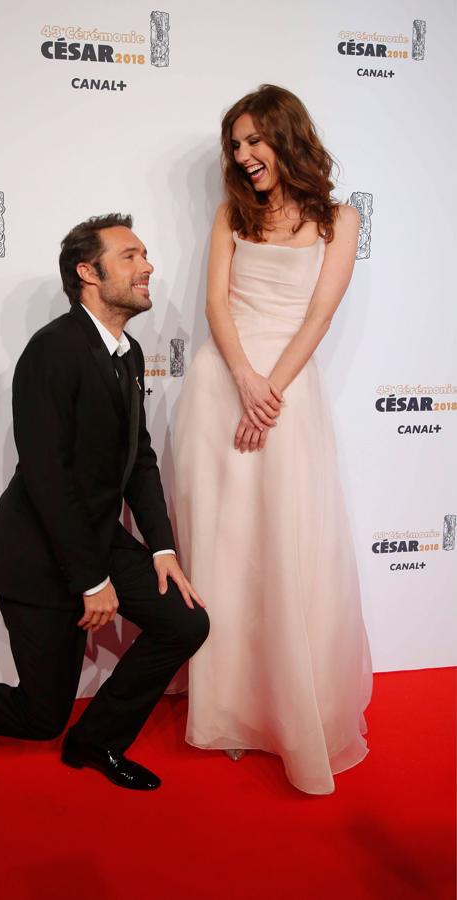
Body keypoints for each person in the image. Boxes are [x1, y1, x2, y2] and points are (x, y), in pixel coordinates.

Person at [0, 213, 209, 791]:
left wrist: (161, 546)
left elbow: (140, 458)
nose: (148, 266)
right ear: (88, 272)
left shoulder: (124, 352)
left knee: (184, 622)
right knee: (39, 716)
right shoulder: (53, 350)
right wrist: (92, 580)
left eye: (145, 254)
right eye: (130, 256)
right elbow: (48, 477)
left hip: (94, 541)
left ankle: (97, 741)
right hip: (40, 554)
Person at [173, 85, 372, 795]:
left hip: (285, 396)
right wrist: (242, 377)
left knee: (284, 544)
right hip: (220, 384)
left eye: (253, 140)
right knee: (222, 542)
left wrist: (271, 389)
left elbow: (318, 314)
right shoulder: (232, 213)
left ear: (285, 137)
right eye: (235, 145)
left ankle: (284, 703)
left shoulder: (339, 219)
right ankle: (225, 702)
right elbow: (214, 303)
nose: (243, 156)